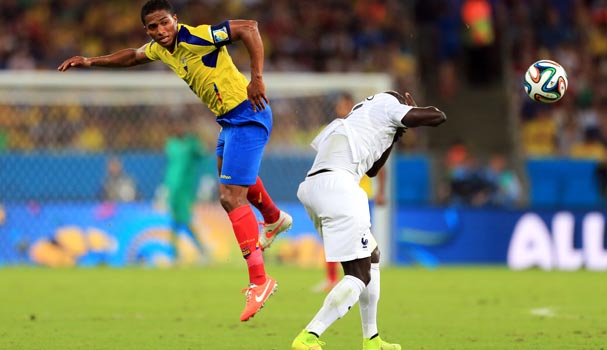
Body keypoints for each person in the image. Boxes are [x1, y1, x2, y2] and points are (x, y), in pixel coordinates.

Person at [58, 0, 293, 322]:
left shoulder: (199, 36)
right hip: (229, 121)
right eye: (153, 27)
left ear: (175, 20)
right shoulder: (160, 49)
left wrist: (257, 78)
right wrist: (90, 61)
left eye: (164, 23)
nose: (160, 31)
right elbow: (132, 56)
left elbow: (249, 28)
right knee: (237, 180)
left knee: (229, 197)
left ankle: (259, 281)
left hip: (248, 115)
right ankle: (274, 217)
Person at [292, 91, 446, 350]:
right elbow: (437, 116)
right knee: (359, 275)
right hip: (341, 188)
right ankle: (309, 336)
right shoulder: (389, 104)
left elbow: (373, 170)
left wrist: (395, 134)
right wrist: (411, 111)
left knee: (371, 256)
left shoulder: (360, 115)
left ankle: (371, 339)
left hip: (313, 188)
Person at [312, 92, 386, 293]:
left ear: (352, 107)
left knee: (363, 239)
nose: (341, 109)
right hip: (335, 193)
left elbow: (381, 165)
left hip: (360, 194)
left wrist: (381, 192)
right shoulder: (328, 131)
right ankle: (332, 278)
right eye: (339, 105)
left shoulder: (363, 132)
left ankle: (362, 277)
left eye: (345, 105)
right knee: (332, 235)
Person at [163, 116, 206, 262]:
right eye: (176, 125)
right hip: (173, 189)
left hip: (185, 190)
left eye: (181, 126)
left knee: (184, 220)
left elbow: (202, 154)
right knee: (176, 220)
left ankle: (200, 250)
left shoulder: (191, 144)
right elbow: (171, 168)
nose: (179, 128)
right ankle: (176, 253)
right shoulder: (171, 144)